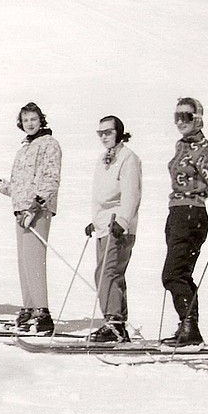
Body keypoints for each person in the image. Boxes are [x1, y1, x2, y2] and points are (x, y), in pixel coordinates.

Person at [161, 97, 208, 346]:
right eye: (177, 116)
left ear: (198, 118)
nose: (181, 121)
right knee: (181, 273)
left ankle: (189, 325)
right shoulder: (181, 146)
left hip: (192, 213)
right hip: (177, 212)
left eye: (187, 117)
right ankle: (188, 327)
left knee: (173, 274)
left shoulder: (204, 149)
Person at [0, 102, 63, 335]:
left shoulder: (49, 144)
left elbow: (51, 179)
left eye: (33, 119)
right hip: (21, 211)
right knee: (24, 263)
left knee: (34, 260)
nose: (29, 123)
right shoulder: (23, 149)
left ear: (41, 120)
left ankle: (43, 313)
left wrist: (35, 206)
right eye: (25, 120)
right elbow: (18, 187)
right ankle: (29, 308)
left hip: (37, 211)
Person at [84, 116, 143, 343]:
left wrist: (124, 220)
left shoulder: (128, 158)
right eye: (101, 133)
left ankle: (114, 323)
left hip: (118, 227)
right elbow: (101, 195)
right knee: (106, 274)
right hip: (103, 225)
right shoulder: (104, 159)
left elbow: (131, 193)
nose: (104, 137)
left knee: (108, 272)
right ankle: (116, 322)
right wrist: (94, 221)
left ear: (119, 132)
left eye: (108, 132)